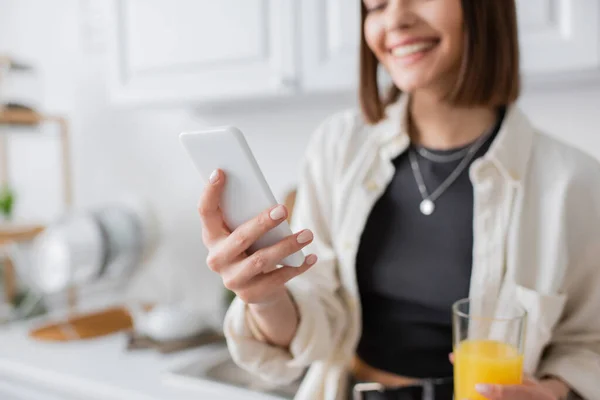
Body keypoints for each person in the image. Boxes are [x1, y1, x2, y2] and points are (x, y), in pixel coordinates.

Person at [197, 1, 600, 399]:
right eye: (376, 5)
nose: (396, 19)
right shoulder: (339, 148)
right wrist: (264, 297)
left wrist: (553, 392)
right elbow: (315, 323)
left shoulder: (573, 183)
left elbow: (590, 342)